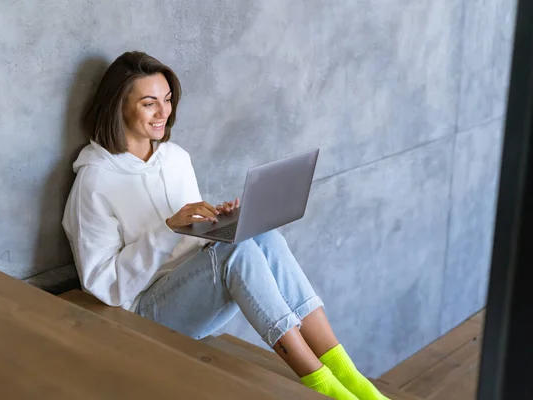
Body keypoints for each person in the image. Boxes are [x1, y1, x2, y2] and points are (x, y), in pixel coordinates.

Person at [62, 51, 388, 400]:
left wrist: (221, 223)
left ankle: (346, 373)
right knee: (240, 254)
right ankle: (325, 386)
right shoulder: (94, 183)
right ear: (119, 106)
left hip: (189, 287)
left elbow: (189, 239)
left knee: (262, 236)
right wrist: (166, 229)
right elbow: (104, 286)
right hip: (141, 312)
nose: (163, 113)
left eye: (168, 100)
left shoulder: (175, 159)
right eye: (149, 103)